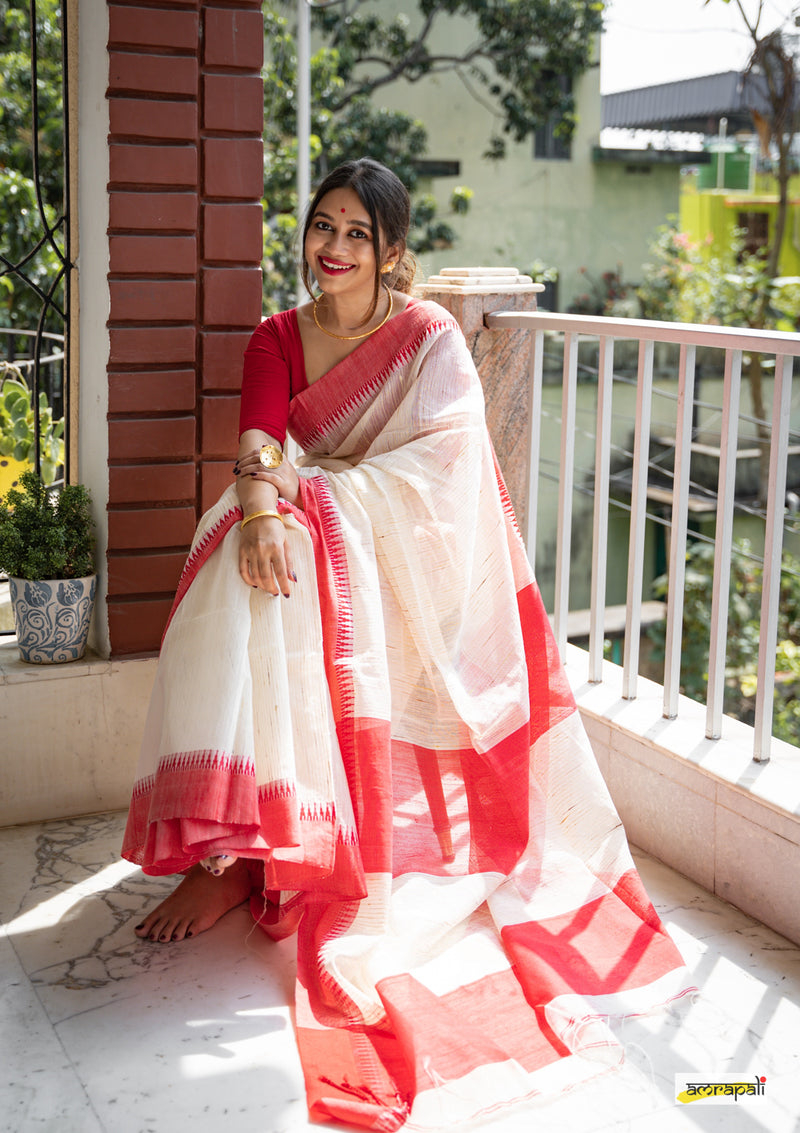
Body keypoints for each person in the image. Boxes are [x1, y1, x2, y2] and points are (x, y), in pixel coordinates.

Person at [123, 158, 695, 1131]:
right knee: (236, 557)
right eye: (324, 226)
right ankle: (233, 851)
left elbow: (447, 466)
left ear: (392, 252)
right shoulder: (276, 336)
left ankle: (274, 848)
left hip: (407, 559)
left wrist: (314, 504)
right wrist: (261, 511)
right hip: (309, 528)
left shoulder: (427, 337)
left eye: (358, 233)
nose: (334, 248)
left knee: (287, 558)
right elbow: (258, 440)